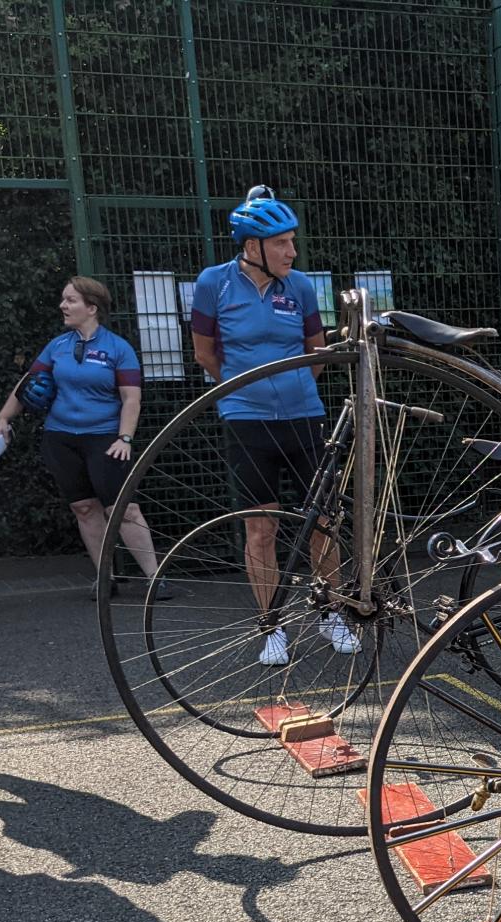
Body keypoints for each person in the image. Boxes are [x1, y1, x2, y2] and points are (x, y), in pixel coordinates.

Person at [189, 185, 356, 667]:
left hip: (304, 416)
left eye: (292, 241)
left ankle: (332, 612)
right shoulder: (213, 283)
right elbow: (205, 352)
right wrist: (243, 391)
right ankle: (272, 626)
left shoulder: (300, 286)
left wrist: (292, 390)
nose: (292, 251)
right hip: (246, 421)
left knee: (322, 520)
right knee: (260, 529)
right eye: (282, 242)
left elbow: (315, 350)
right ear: (253, 246)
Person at [0, 276, 165, 598]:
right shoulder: (57, 346)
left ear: (92, 307)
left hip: (105, 439)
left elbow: (131, 398)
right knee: (84, 509)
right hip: (61, 439)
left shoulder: (118, 348)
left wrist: (124, 438)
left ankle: (155, 577)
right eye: (63, 299)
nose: (63, 306)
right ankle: (106, 578)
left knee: (123, 509)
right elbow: (28, 382)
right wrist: (3, 418)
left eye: (70, 300)